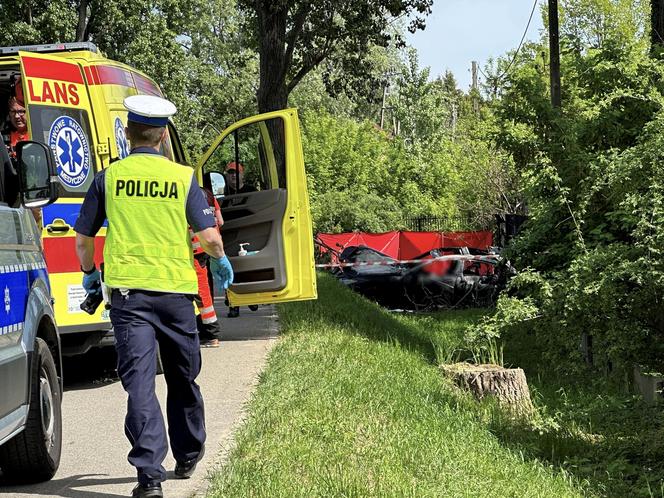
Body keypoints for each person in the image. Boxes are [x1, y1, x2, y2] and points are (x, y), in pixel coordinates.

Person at [73, 95, 234, 498]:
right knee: (183, 377)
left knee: (140, 386)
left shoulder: (108, 178)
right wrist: (219, 261)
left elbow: (83, 240)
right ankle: (188, 453)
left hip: (129, 299)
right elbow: (210, 237)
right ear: (163, 135)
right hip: (177, 296)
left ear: (127, 134)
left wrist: (91, 275)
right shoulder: (183, 178)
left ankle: (149, 478)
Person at [190, 185, 224, 347]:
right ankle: (208, 332)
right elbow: (220, 221)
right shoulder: (209, 195)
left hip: (194, 250)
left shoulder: (187, 194)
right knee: (205, 288)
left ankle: (211, 334)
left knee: (201, 292)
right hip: (208, 246)